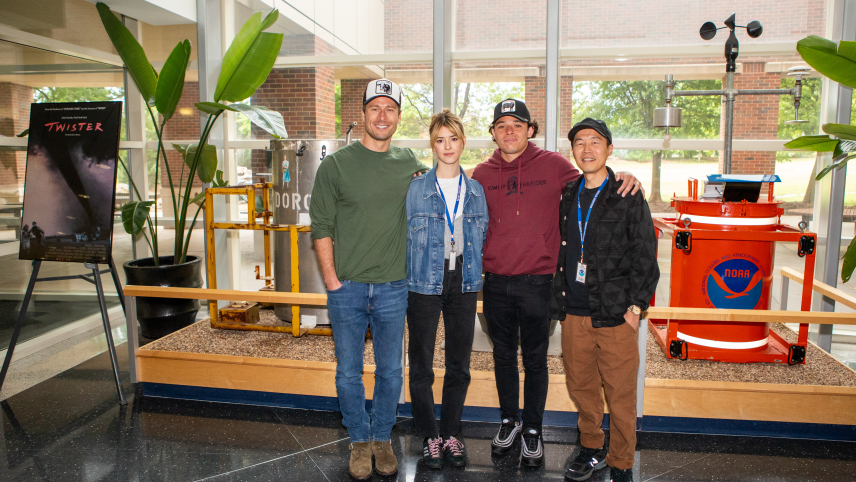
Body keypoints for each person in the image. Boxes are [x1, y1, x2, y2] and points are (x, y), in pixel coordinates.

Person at [470, 99, 642, 467]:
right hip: (496, 281)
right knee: (503, 357)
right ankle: (508, 421)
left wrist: (626, 175)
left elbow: (594, 177)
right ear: (493, 134)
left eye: (518, 125)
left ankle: (533, 430)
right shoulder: (481, 174)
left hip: (541, 283)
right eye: (502, 126)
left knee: (534, 360)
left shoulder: (555, 165)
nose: (510, 131)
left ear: (531, 130)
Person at [309, 78, 428, 480]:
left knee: (391, 370)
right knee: (348, 371)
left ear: (398, 116)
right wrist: (332, 280)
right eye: (374, 108)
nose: (382, 116)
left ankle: (382, 437)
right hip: (347, 288)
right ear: (361, 115)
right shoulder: (336, 165)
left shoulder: (409, 161)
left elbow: (443, 187)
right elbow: (321, 226)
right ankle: (359, 440)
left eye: (390, 109)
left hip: (394, 286)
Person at [552, 118, 659, 482]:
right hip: (575, 314)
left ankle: (621, 462)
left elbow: (646, 255)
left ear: (609, 148)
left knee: (621, 396)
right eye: (580, 142)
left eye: (595, 141)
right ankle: (592, 447)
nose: (587, 148)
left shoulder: (627, 194)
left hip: (615, 315)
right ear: (573, 151)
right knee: (581, 389)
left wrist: (635, 309)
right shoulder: (568, 193)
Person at [406, 109, 488, 469]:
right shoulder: (417, 188)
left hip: (464, 281)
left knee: (459, 362)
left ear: (463, 141)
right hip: (423, 280)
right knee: (421, 363)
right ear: (432, 144)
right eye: (440, 140)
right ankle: (429, 435)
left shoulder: (476, 191)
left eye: (453, 138)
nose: (447, 146)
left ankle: (452, 433)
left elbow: (482, 235)